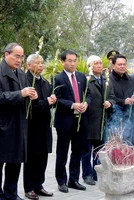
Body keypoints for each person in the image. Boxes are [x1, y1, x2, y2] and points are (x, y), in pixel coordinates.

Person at [0, 42, 38, 200]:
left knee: (15, 162)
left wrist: (33, 97)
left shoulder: (21, 74)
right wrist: (20, 93)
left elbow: (26, 95)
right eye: (16, 56)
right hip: (0, 126)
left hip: (18, 124)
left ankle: (11, 193)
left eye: (21, 57)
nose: (19, 60)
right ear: (6, 55)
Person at [54, 50, 91, 193]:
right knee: (62, 153)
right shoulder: (58, 78)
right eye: (69, 60)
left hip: (81, 120)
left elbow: (88, 94)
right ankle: (61, 181)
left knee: (77, 151)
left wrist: (86, 103)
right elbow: (57, 99)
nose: (73, 63)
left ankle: (73, 179)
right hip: (65, 121)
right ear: (63, 62)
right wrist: (72, 105)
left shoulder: (82, 76)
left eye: (74, 60)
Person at [23, 54, 56, 200]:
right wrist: (46, 102)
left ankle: (39, 185)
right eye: (37, 63)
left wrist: (53, 101)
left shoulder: (44, 81)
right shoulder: (25, 81)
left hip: (44, 125)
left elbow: (48, 103)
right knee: (31, 158)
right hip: (31, 125)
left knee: (43, 157)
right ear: (29, 65)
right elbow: (30, 107)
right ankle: (29, 187)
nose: (41, 66)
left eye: (42, 63)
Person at [84, 55, 115, 182]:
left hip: (103, 120)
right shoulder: (86, 80)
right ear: (90, 66)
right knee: (86, 150)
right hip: (90, 119)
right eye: (96, 63)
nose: (99, 65)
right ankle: (87, 174)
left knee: (100, 149)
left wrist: (110, 102)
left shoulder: (106, 79)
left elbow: (112, 96)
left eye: (100, 63)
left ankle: (98, 172)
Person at [107, 54, 134, 141]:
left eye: (124, 64)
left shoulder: (131, 80)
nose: (122, 66)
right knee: (114, 145)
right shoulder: (107, 80)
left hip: (128, 117)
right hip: (112, 117)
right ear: (113, 65)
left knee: (127, 144)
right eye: (120, 64)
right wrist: (123, 101)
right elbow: (107, 97)